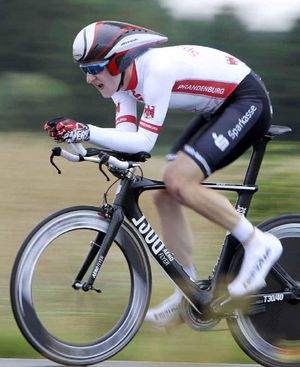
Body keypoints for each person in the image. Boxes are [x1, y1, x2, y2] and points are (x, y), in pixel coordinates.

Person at [44, 21, 283, 328]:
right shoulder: (122, 85)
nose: (90, 78)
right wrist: (82, 141)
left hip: (247, 101)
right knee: (163, 195)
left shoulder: (154, 71)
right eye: (84, 70)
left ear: (119, 61)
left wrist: (86, 131)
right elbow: (127, 140)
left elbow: (144, 142)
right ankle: (188, 292)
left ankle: (259, 244)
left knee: (180, 180)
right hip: (218, 109)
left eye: (96, 68)